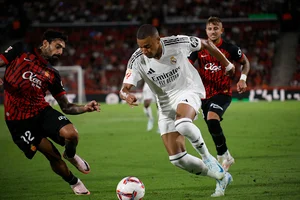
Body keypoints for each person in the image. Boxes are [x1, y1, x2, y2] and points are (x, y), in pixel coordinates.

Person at [119, 24, 235, 197]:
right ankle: (222, 176)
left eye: (147, 46)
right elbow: (123, 89)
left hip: (188, 89)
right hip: (164, 104)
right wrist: (127, 95)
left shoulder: (177, 42)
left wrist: (227, 64)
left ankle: (207, 157)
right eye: (141, 46)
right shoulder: (137, 59)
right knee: (178, 159)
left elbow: (206, 44)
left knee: (183, 124)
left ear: (158, 40)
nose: (144, 50)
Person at [0, 30, 100, 195]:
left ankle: (70, 154)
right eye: (57, 46)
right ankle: (74, 182)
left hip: (42, 111)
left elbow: (66, 107)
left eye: (62, 49)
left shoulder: (53, 74)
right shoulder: (21, 49)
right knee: (52, 155)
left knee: (72, 134)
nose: (60, 52)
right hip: (19, 120)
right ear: (45, 43)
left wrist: (85, 108)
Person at [189, 16, 250, 172]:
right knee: (211, 125)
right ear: (206, 31)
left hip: (222, 93)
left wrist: (242, 79)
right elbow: (187, 64)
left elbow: (245, 62)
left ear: (221, 30)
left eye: (216, 28)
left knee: (212, 118)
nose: (212, 31)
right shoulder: (199, 49)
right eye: (209, 29)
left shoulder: (230, 48)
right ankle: (226, 155)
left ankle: (222, 155)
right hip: (204, 95)